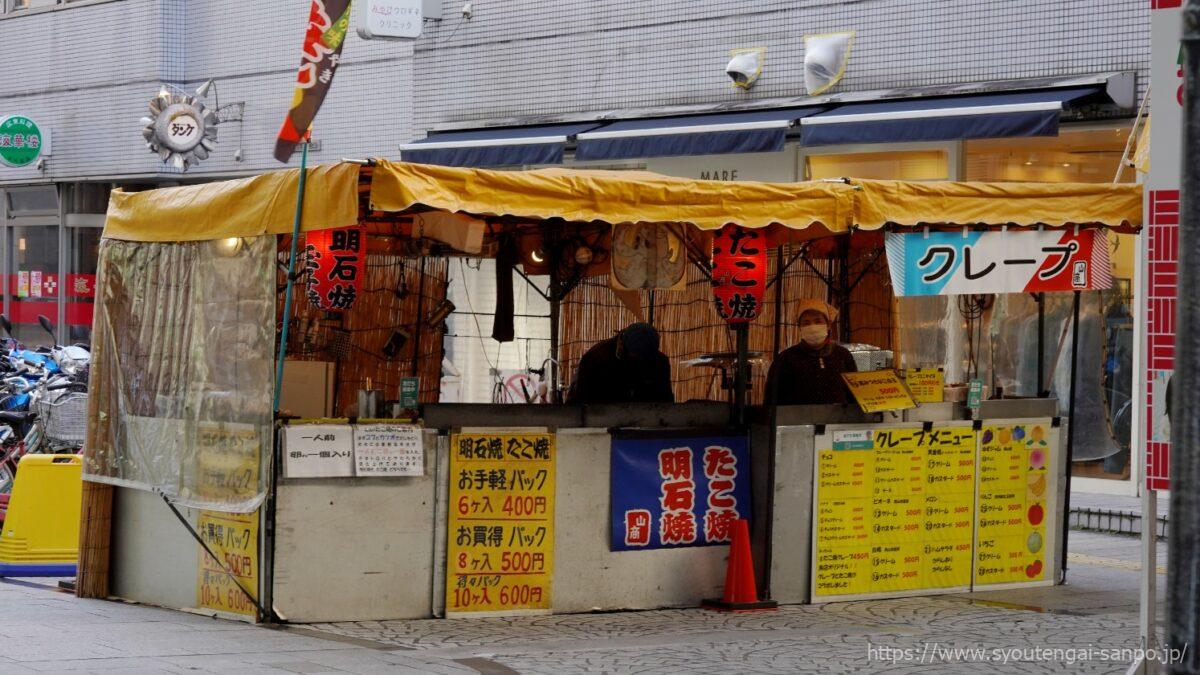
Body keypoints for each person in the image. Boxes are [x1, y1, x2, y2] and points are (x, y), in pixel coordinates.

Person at [766, 299, 858, 405]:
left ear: (828, 325)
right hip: (798, 420)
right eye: (806, 323)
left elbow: (854, 394)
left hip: (839, 420)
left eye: (818, 321)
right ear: (800, 327)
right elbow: (772, 400)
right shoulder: (785, 359)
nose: (812, 327)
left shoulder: (843, 355)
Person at [567, 322, 675, 405]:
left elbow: (665, 402)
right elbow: (579, 403)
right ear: (622, 348)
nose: (641, 363)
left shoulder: (659, 362)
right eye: (636, 358)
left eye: (646, 358)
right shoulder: (596, 359)